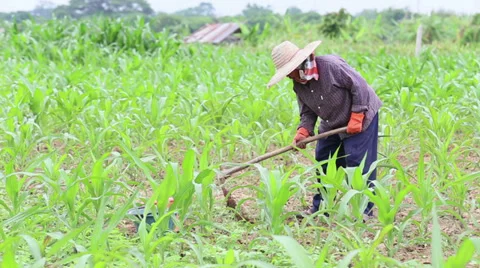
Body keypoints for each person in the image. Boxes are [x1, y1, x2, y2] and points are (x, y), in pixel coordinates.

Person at [266, 40, 382, 218]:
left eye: (289, 72)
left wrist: (358, 115)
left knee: (357, 162)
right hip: (331, 122)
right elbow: (307, 111)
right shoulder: (298, 84)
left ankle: (364, 211)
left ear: (299, 64)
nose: (288, 77)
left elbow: (360, 87)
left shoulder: (330, 66)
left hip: (361, 116)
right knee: (324, 161)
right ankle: (322, 208)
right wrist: (304, 130)